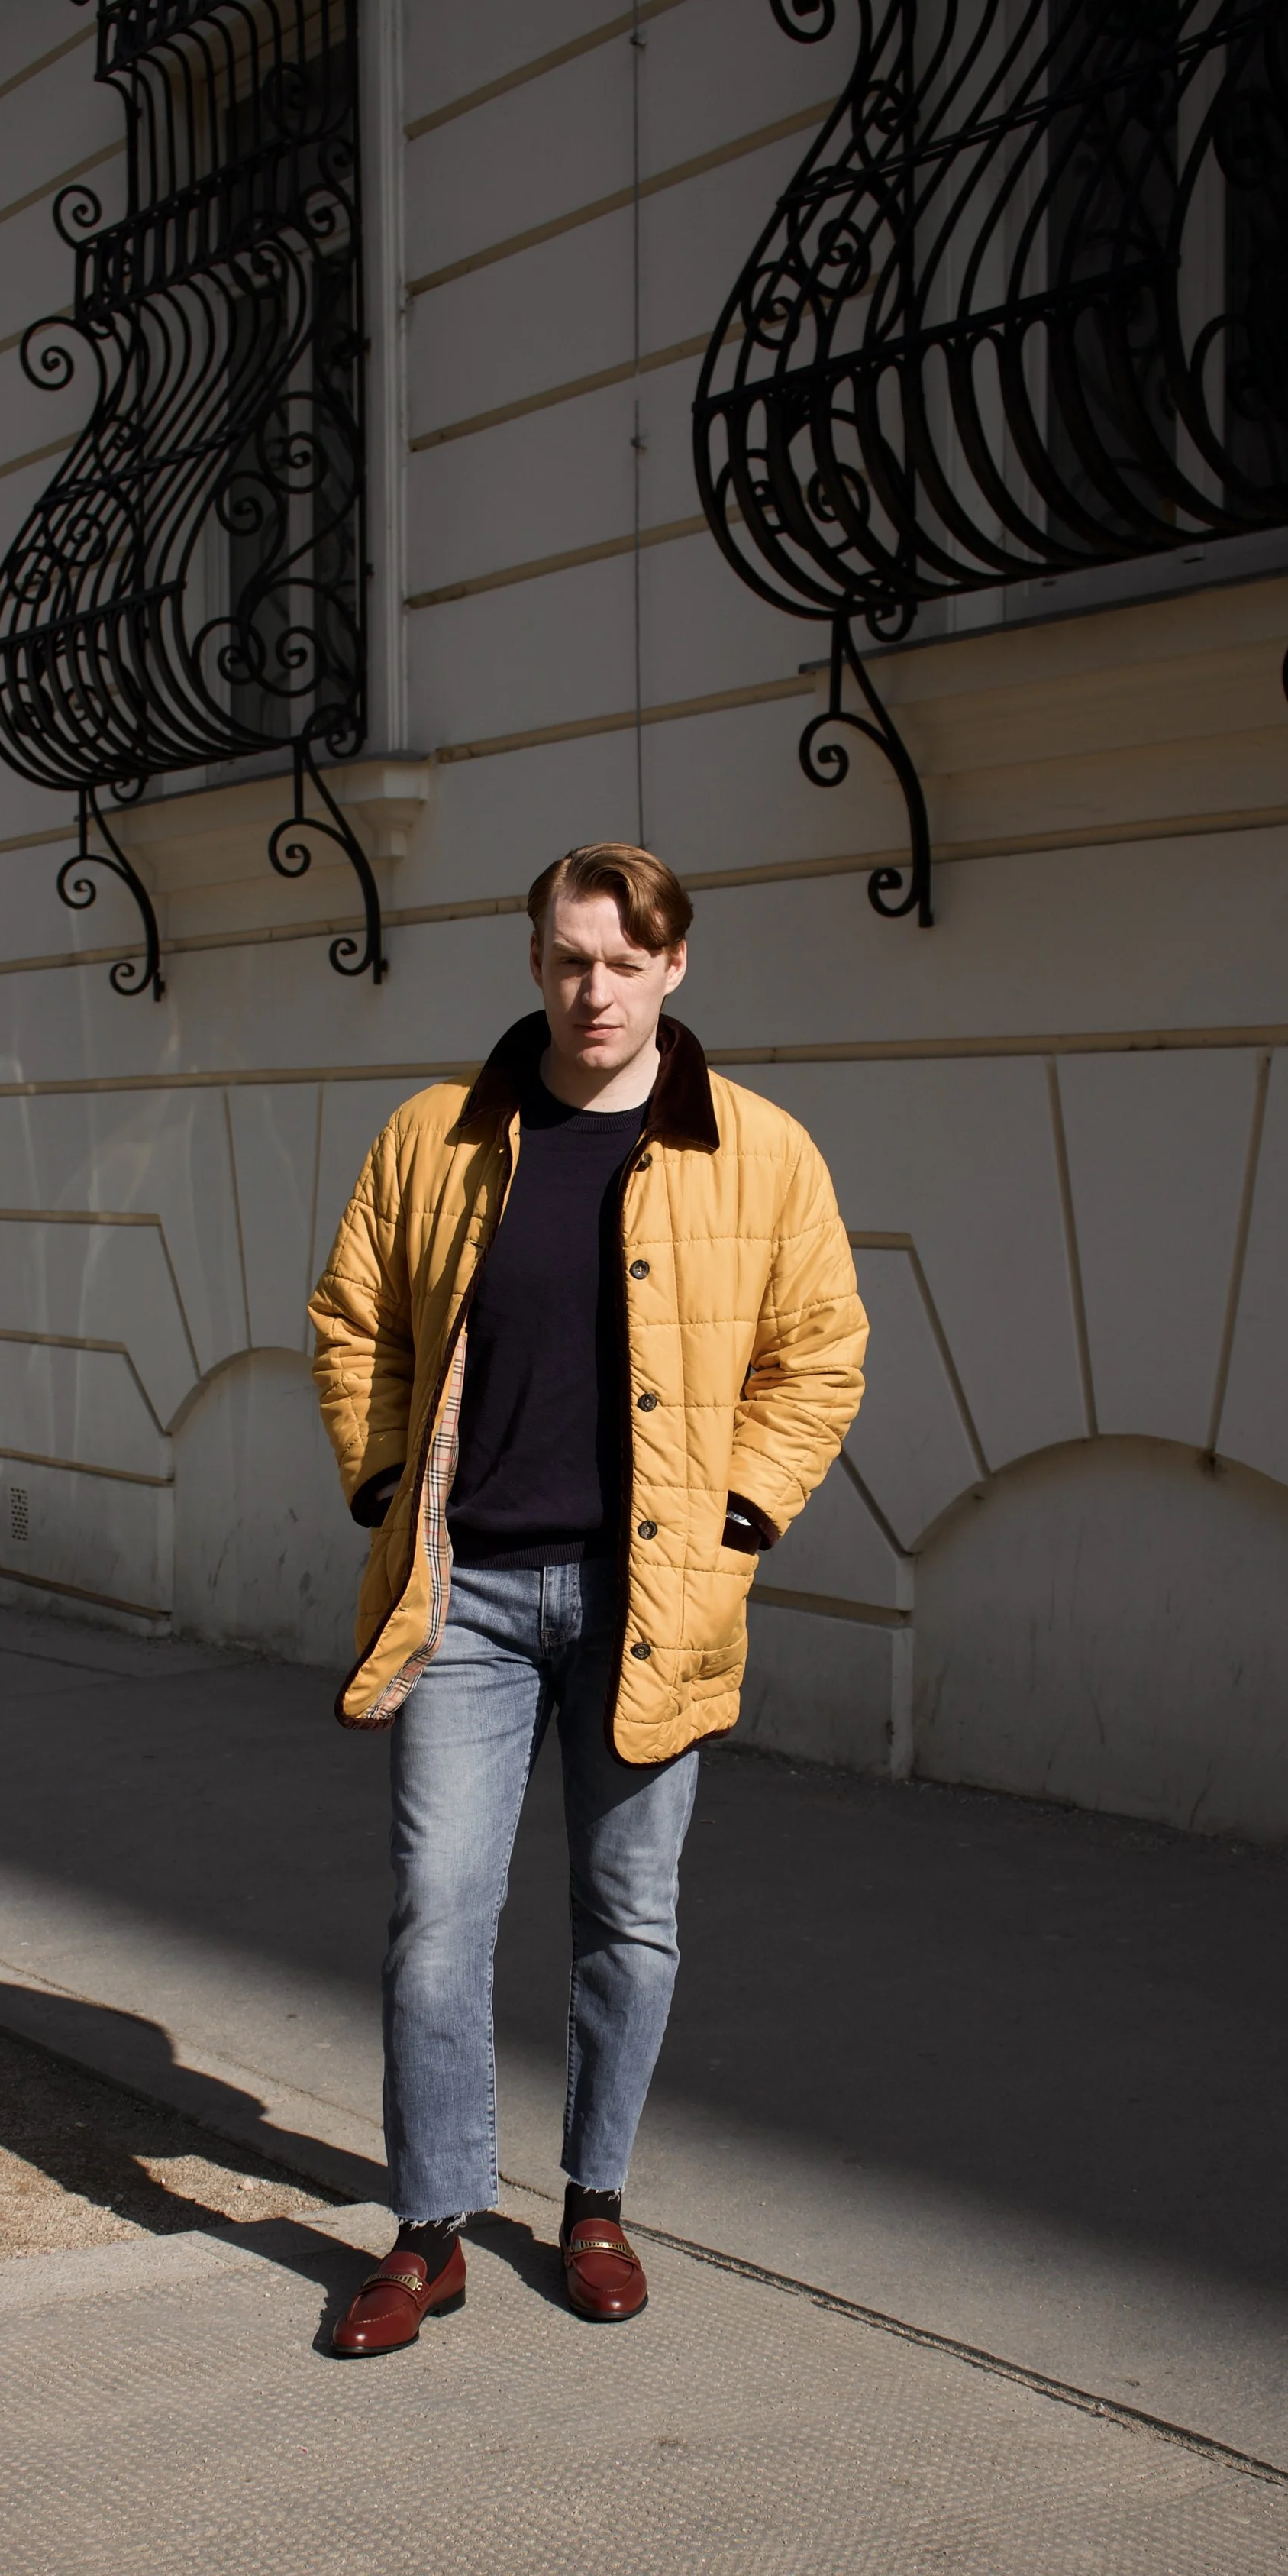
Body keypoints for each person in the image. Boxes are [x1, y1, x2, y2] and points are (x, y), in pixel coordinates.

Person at [308, 842, 867, 2355]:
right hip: (469, 1598)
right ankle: (429, 2228)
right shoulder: (435, 1137)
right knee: (438, 1914)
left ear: (674, 967)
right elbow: (354, 1317)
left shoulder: (757, 1155)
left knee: (628, 1914)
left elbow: (817, 1357)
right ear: (533, 960)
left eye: (625, 962)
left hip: (651, 1600)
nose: (593, 989)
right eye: (568, 958)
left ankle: (594, 2202)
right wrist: (378, 1486)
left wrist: (741, 1513)